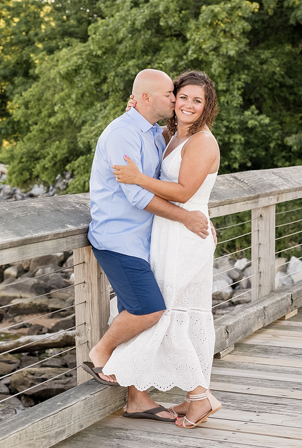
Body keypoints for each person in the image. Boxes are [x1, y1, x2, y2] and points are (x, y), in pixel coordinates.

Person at [81, 69, 212, 423]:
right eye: (171, 94)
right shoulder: (123, 133)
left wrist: (191, 215)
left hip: (147, 242)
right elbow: (138, 194)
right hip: (119, 239)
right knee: (150, 310)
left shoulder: (156, 133)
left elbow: (170, 181)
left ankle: (137, 399)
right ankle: (101, 351)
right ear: (147, 98)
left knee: (137, 313)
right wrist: (186, 217)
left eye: (183, 96)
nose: (175, 100)